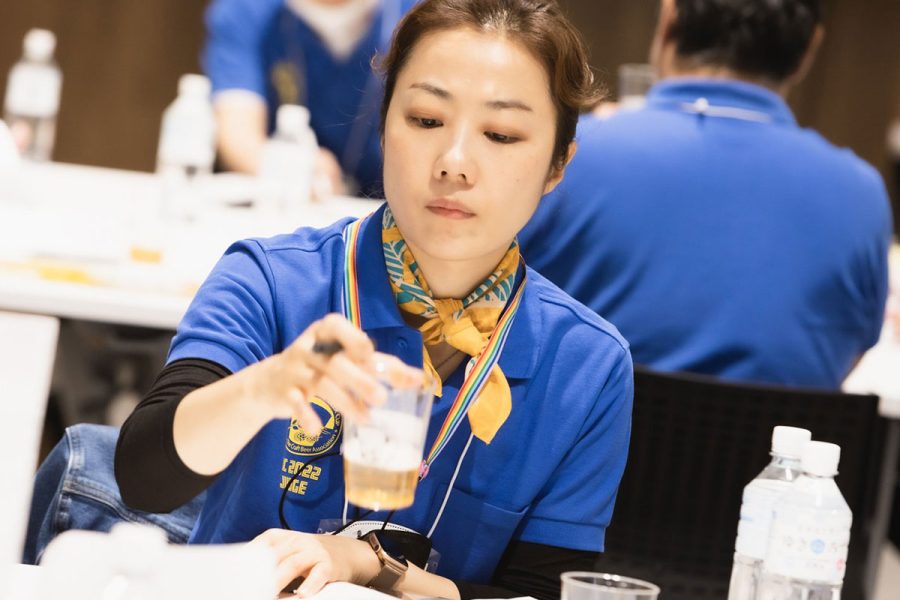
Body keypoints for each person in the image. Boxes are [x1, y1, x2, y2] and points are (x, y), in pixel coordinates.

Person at [38, 2, 633, 599]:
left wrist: (376, 567)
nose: (454, 163)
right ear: (383, 124)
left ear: (558, 163)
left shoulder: (586, 364)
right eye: (426, 119)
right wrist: (265, 388)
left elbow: (547, 593)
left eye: (501, 134)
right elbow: (145, 478)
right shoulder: (273, 279)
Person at [519, 0, 893, 389]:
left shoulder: (569, 158)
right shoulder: (862, 192)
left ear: (669, 19)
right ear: (809, 49)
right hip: (771, 447)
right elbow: (851, 349)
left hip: (585, 442)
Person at [204, 0, 417, 197]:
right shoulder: (248, 9)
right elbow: (238, 134)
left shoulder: (422, 13)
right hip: (289, 206)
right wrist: (287, 167)